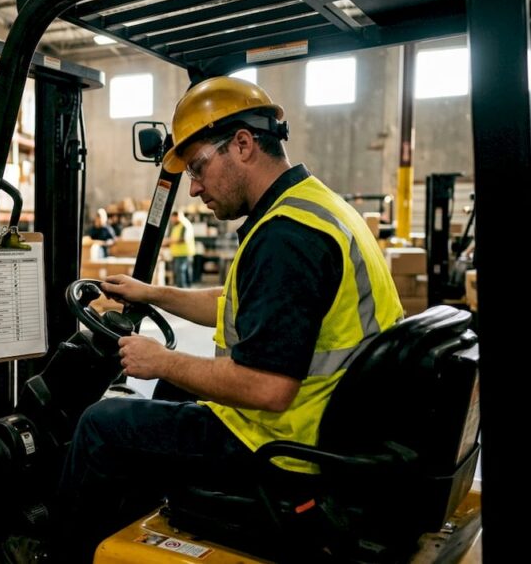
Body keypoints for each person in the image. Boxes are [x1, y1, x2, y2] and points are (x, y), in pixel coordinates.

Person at [52, 76, 405, 561]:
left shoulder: (285, 238)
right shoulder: (314, 208)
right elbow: (246, 305)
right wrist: (153, 293)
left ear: (242, 145)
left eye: (198, 168)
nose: (194, 188)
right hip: (329, 429)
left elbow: (266, 387)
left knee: (101, 423)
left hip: (284, 451)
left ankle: (63, 555)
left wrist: (161, 360)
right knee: (171, 395)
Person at [163, 210, 195, 287]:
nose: (172, 220)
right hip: (179, 253)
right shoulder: (177, 225)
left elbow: (183, 239)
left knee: (180, 273)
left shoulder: (184, 225)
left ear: (177, 217)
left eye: (173, 218)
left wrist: (168, 241)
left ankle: (182, 291)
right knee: (185, 273)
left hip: (183, 254)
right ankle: (187, 291)